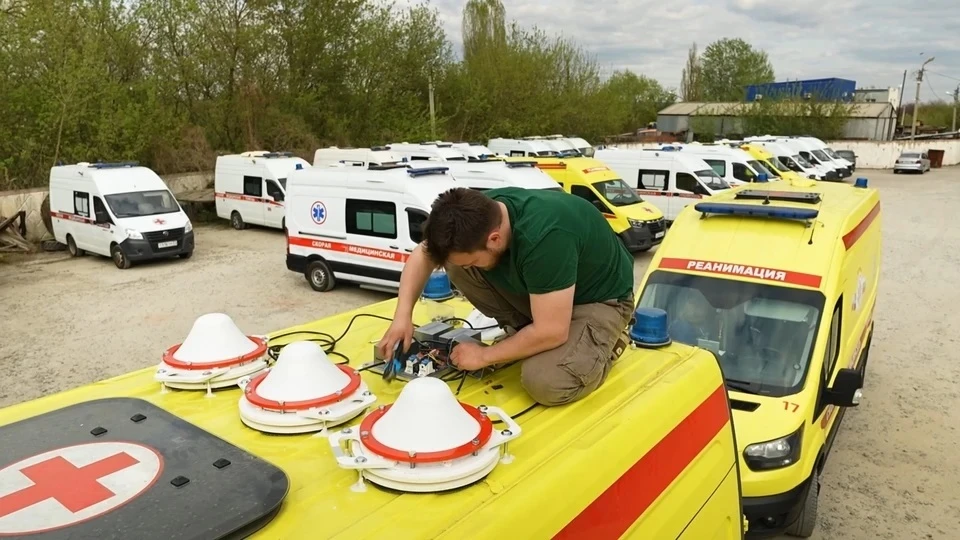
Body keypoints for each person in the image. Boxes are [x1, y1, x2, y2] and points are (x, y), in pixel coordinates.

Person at [376, 186, 636, 406]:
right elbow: (424, 254)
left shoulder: (545, 237)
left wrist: (484, 356)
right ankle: (524, 333)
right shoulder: (478, 214)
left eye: (473, 262)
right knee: (453, 261)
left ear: (495, 239)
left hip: (599, 300)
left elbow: (553, 330)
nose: (470, 269)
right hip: (548, 292)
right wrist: (402, 317)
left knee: (545, 381)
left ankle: (604, 346)